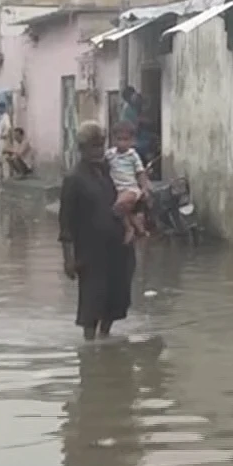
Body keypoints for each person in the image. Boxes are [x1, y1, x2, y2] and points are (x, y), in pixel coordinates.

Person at [57, 122, 137, 340]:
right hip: (91, 253)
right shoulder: (74, 179)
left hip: (117, 248)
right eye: (93, 147)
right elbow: (65, 222)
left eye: (101, 146)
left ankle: (106, 339)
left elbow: (123, 199)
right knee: (92, 301)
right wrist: (68, 259)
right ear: (82, 149)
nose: (99, 151)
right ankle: (90, 348)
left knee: (116, 297)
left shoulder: (109, 173)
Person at [106, 121, 150, 243]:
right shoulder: (110, 154)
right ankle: (139, 230)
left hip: (130, 189)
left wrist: (144, 189)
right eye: (119, 139)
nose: (122, 143)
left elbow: (140, 173)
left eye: (125, 139)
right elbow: (103, 166)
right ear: (113, 139)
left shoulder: (133, 156)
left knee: (118, 207)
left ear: (132, 140)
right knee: (124, 210)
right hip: (117, 189)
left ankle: (129, 228)